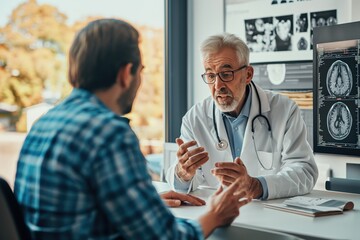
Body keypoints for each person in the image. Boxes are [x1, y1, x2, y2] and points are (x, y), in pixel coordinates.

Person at [14, 19, 250, 240]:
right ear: (126, 74)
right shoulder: (110, 133)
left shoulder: (43, 124)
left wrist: (145, 203)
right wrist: (215, 215)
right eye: (141, 71)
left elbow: (70, 208)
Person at [166, 33, 318, 200]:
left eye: (226, 74)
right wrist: (183, 173)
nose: (218, 86)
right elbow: (188, 181)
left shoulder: (284, 110)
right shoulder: (195, 118)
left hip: (268, 217)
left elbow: (304, 171)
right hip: (217, 214)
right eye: (210, 75)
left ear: (248, 75)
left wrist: (257, 186)